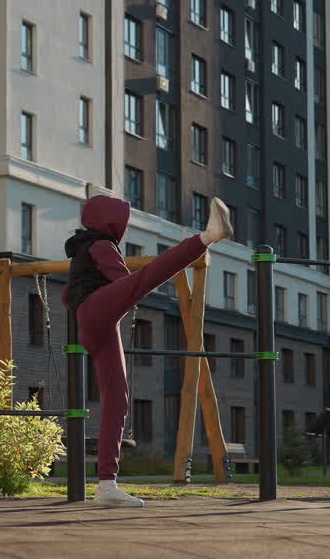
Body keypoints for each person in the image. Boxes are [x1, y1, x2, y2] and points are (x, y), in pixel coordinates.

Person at [62, 194, 233, 507]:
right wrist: (118, 292)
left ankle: (106, 485)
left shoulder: (81, 251)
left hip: (96, 324)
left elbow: (67, 294)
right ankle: (207, 237)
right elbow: (126, 282)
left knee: (118, 398)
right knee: (147, 276)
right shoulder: (101, 245)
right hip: (98, 314)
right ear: (110, 222)